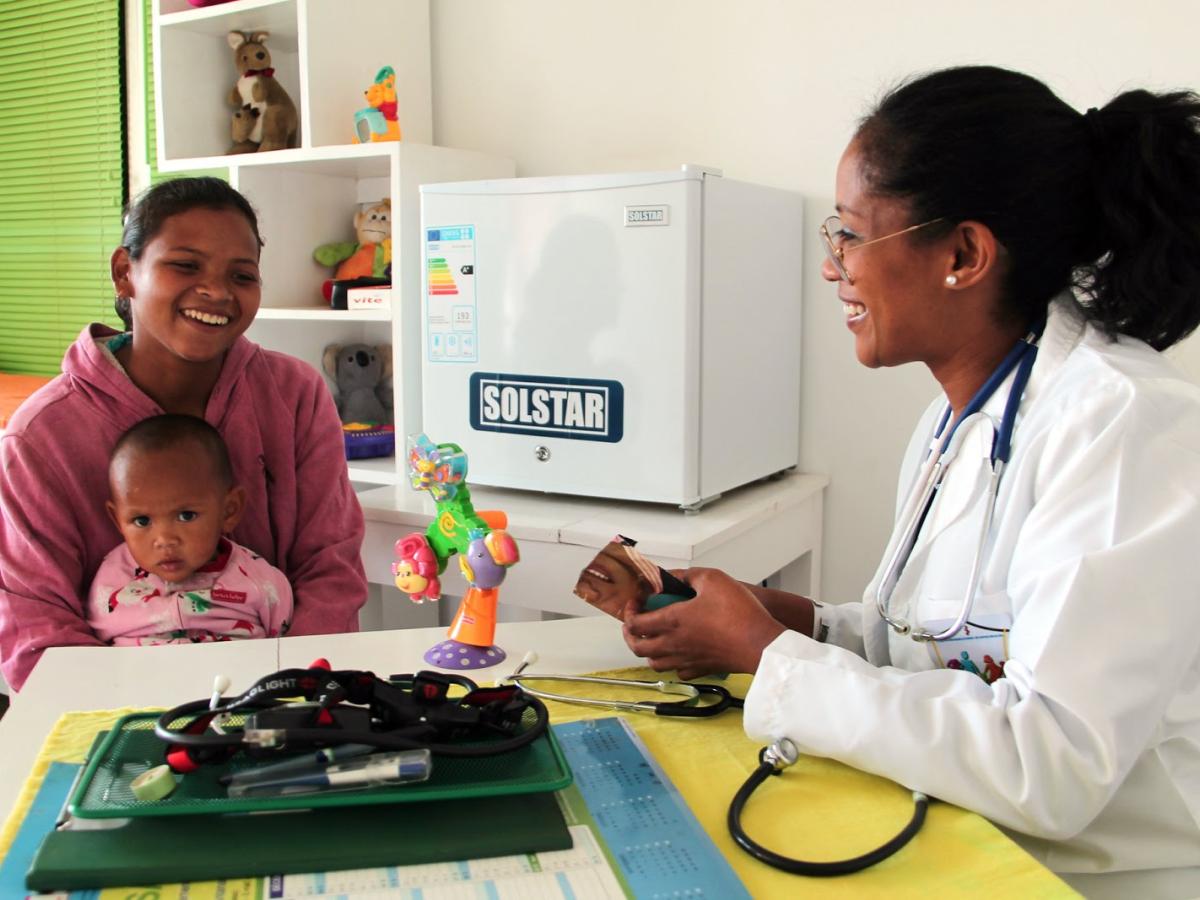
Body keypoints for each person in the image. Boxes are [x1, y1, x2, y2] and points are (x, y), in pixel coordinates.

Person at [591, 67, 1200, 897]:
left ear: (962, 254)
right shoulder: (960, 418)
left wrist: (763, 653)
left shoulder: (1124, 423)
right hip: (961, 840)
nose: (831, 268)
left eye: (848, 235)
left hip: (1089, 880)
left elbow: (1052, 761)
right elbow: (931, 654)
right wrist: (781, 618)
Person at [0, 176, 367, 691]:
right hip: (112, 719)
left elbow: (329, 567)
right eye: (185, 265)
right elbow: (35, 625)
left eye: (241, 275)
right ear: (125, 273)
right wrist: (140, 725)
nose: (216, 292)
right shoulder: (42, 436)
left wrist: (289, 696)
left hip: (277, 702)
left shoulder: (293, 393)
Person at [89, 414, 293, 645]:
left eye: (186, 516)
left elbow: (285, 650)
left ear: (229, 511)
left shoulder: (261, 582)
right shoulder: (113, 579)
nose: (165, 539)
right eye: (142, 521)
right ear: (118, 521)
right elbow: (95, 656)